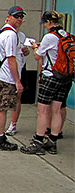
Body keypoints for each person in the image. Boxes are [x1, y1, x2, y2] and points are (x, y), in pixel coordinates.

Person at [21, 11, 72, 155]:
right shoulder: (66, 35)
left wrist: (35, 47)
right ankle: (52, 142)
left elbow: (38, 56)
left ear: (49, 22)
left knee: (42, 111)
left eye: (45, 23)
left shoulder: (49, 37)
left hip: (50, 76)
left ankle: (38, 141)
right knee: (57, 110)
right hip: (65, 77)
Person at [0, 6, 26, 151]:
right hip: (7, 77)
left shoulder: (2, 31)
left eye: (21, 16)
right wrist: (17, 81)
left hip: (0, 76)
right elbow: (11, 59)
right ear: (9, 16)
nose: (20, 19)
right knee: (3, 108)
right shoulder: (10, 35)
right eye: (17, 16)